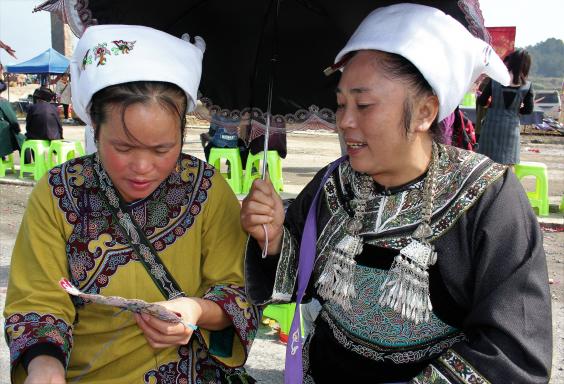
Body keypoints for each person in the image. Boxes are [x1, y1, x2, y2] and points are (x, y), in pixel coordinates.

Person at [241, 4, 552, 383]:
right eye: (341, 103)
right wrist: (270, 237)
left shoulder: (489, 198)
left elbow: (512, 353)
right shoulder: (335, 184)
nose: (344, 121)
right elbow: (296, 280)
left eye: (364, 104)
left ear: (424, 112)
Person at [4, 25, 259, 383]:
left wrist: (196, 310)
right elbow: (37, 299)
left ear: (183, 133)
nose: (142, 168)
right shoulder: (60, 192)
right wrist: (45, 364)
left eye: (162, 150)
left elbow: (238, 295)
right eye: (123, 147)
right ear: (95, 125)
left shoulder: (207, 189)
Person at [477, 49, 534, 166]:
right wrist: (517, 110)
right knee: (507, 166)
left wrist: (492, 105)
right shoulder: (527, 86)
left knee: (487, 164)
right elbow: (528, 110)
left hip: (491, 127)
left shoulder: (495, 80)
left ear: (510, 62)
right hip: (511, 130)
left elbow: (481, 101)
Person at [0, 80, 25, 159]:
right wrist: (17, 130)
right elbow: (13, 120)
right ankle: (26, 164)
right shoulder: (2, 102)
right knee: (23, 140)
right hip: (1, 135)